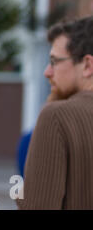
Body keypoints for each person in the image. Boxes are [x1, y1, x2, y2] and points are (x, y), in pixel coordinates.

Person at [16, 16, 93, 209]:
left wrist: (18, 191)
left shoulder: (56, 116)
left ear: (87, 65)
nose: (47, 72)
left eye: (54, 61)